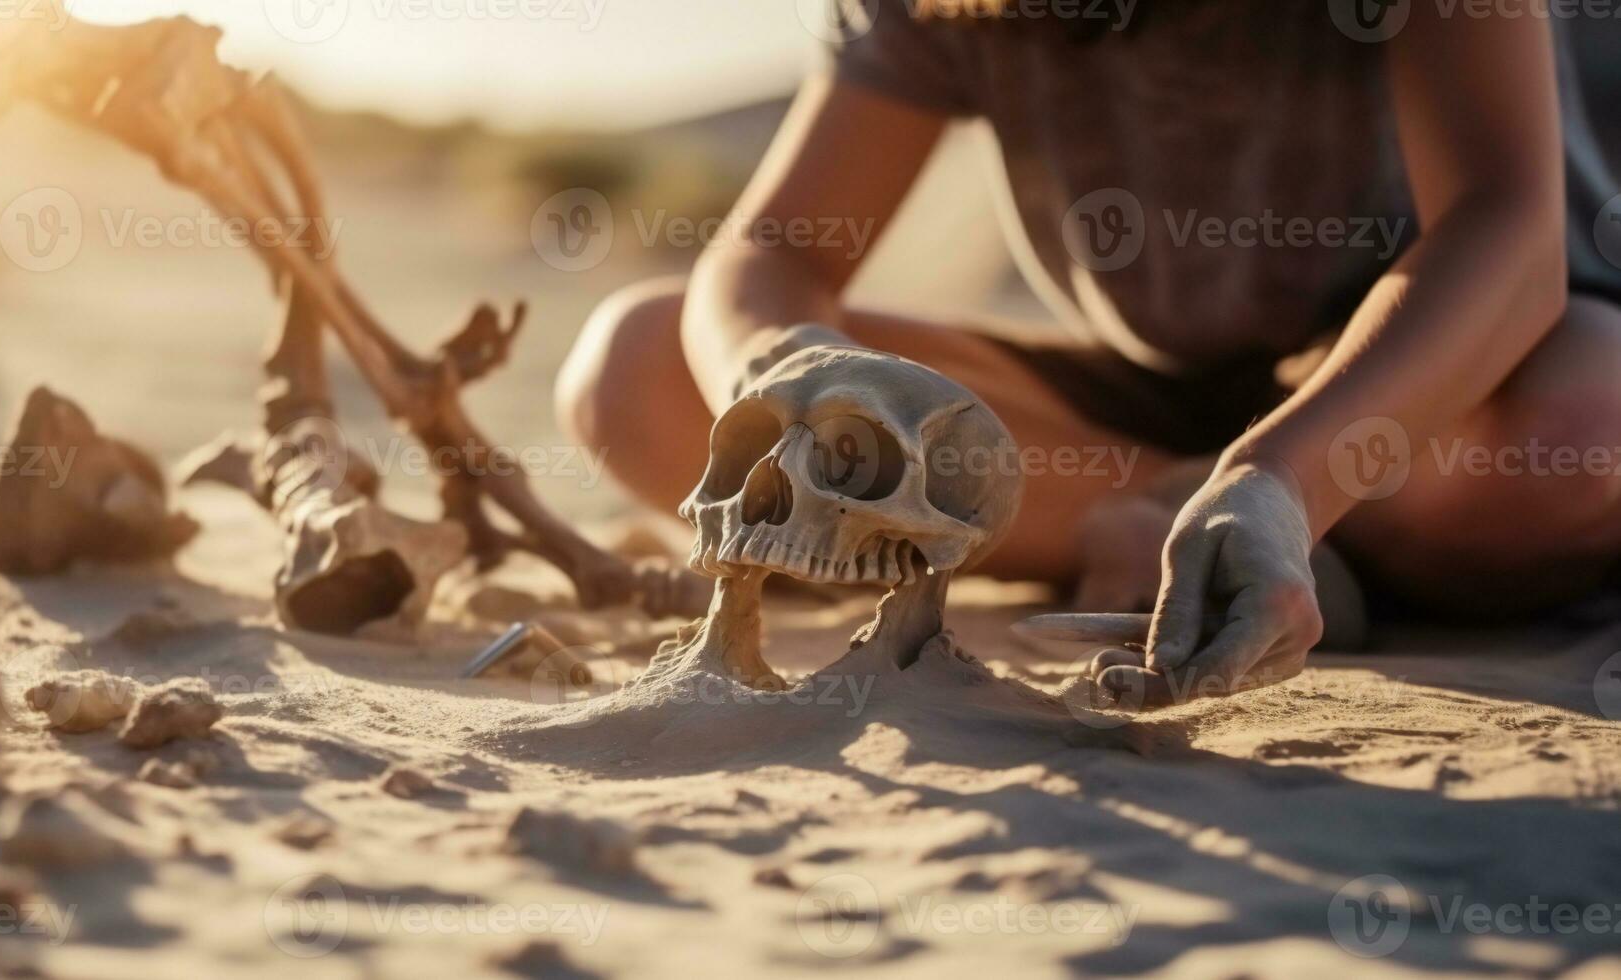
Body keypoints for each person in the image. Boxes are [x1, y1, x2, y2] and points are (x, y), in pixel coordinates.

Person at [556, 0, 1621, 707]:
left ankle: (1262, 526)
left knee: (1582, 428)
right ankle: (1167, 518)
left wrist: (1283, 479)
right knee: (641, 367)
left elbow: (1505, 232)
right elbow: (779, 251)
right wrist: (780, 369)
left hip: (1449, 378)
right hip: (1146, 409)